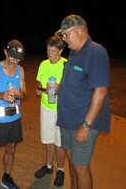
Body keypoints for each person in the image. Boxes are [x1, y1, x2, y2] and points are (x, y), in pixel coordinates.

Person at [54, 14, 110, 189]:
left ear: (78, 30)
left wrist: (86, 125)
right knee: (73, 163)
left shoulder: (95, 51)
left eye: (65, 34)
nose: (64, 39)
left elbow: (100, 91)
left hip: (82, 121)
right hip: (68, 120)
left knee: (81, 167)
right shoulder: (73, 53)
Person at [0, 39, 27, 189]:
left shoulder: (20, 70)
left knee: (11, 149)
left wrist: (19, 94)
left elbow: (25, 93)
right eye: (12, 57)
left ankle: (6, 178)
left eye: (18, 58)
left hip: (15, 116)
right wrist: (1, 95)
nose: (14, 61)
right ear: (5, 52)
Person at [35, 36, 67, 186]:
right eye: (48, 49)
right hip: (46, 107)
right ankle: (48, 166)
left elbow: (74, 88)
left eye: (53, 50)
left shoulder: (66, 65)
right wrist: (39, 90)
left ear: (60, 50)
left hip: (62, 109)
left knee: (59, 142)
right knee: (48, 139)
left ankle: (60, 170)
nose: (49, 53)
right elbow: (38, 82)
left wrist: (61, 87)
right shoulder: (43, 64)